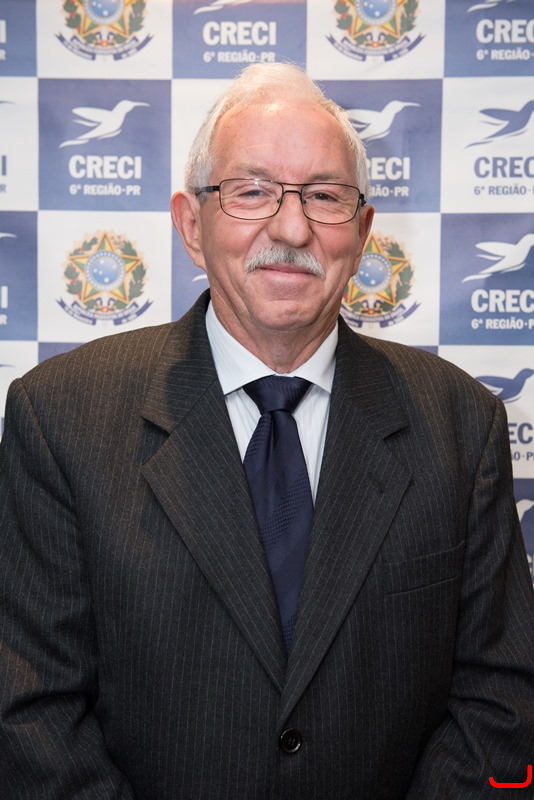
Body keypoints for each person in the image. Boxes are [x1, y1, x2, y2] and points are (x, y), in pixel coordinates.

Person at [1, 63, 533, 800]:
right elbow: (31, 709)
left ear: (363, 231)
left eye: (325, 195)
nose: (291, 228)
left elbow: (500, 697)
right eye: (251, 191)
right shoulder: (59, 417)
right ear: (192, 225)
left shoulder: (461, 422)